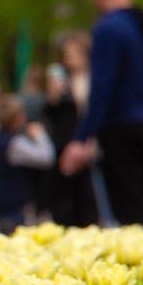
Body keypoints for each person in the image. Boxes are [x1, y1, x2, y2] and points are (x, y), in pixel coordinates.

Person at [59, 0, 143, 225]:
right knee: (142, 202)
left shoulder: (109, 28)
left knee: (124, 210)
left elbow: (103, 86)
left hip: (121, 127)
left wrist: (83, 137)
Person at [0, 95, 56, 233]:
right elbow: (47, 157)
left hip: (0, 199)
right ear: (17, 118)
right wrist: (40, 135)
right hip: (14, 202)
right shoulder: (15, 143)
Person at [40, 62, 96, 227]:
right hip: (60, 146)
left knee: (84, 195)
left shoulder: (84, 86)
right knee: (62, 196)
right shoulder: (56, 92)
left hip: (79, 143)